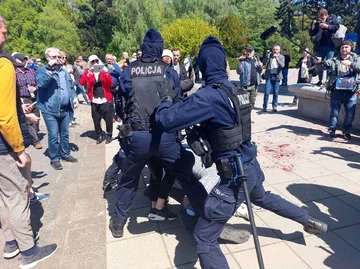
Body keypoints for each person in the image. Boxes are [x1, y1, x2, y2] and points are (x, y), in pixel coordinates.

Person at [155, 35, 327, 269]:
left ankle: (306, 220)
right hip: (250, 165)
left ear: (204, 66)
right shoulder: (236, 90)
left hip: (233, 178)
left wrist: (166, 97)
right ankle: (308, 219)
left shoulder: (208, 96)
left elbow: (166, 121)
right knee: (264, 198)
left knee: (204, 238)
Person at [109, 28, 208, 239]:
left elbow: (120, 101)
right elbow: (177, 102)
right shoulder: (168, 71)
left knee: (128, 180)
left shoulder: (129, 70)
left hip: (136, 137)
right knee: (186, 176)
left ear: (144, 48)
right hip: (164, 137)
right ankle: (207, 214)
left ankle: (118, 222)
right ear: (159, 48)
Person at [0, 16, 57, 268]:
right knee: (18, 195)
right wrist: (18, 148)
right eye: (2, 32)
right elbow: (4, 114)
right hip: (5, 145)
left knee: (4, 196)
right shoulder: (3, 64)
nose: (5, 37)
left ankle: (11, 243)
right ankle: (29, 251)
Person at [36, 47, 79, 170]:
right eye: (54, 57)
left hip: (65, 109)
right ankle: (54, 158)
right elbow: (42, 84)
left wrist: (75, 97)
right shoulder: (41, 70)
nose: (57, 59)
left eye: (58, 57)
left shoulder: (64, 72)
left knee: (65, 134)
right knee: (54, 134)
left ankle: (65, 154)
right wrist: (49, 69)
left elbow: (70, 87)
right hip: (49, 109)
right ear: (48, 58)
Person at [317, 40, 360, 140]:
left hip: (351, 91)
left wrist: (350, 64)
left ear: (351, 49)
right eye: (342, 47)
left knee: (350, 112)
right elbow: (322, 66)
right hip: (337, 90)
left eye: (346, 47)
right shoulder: (334, 59)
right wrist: (319, 63)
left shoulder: (356, 58)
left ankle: (346, 130)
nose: (344, 49)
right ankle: (332, 130)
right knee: (334, 112)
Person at [80, 55, 114, 144]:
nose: (95, 63)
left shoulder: (103, 71)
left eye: (96, 61)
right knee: (96, 119)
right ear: (90, 63)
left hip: (105, 98)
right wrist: (88, 75)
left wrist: (106, 74)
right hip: (94, 99)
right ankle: (100, 133)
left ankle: (109, 134)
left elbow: (110, 83)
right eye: (92, 61)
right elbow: (82, 83)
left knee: (108, 118)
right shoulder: (88, 71)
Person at [13, 53, 42, 149]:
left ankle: (33, 133)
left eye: (24, 60)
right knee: (29, 120)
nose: (24, 62)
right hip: (23, 98)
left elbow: (39, 83)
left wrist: (35, 88)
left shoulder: (31, 71)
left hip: (34, 97)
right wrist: (18, 98)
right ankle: (36, 140)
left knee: (37, 119)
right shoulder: (14, 73)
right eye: (21, 60)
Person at [309, 8, 339, 86]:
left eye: (323, 16)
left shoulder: (332, 19)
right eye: (320, 17)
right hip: (320, 45)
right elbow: (311, 33)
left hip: (330, 44)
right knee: (319, 62)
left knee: (329, 62)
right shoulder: (317, 21)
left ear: (326, 15)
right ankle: (320, 80)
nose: (322, 18)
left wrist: (327, 26)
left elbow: (336, 27)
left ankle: (328, 79)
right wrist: (313, 25)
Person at [262, 44, 285, 112]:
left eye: (277, 49)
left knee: (276, 92)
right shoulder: (270, 56)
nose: (275, 51)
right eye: (274, 49)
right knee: (266, 92)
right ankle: (264, 106)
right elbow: (264, 63)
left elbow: (282, 65)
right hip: (269, 76)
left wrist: (277, 59)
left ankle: (274, 106)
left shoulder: (281, 57)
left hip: (276, 76)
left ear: (279, 50)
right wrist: (267, 56)